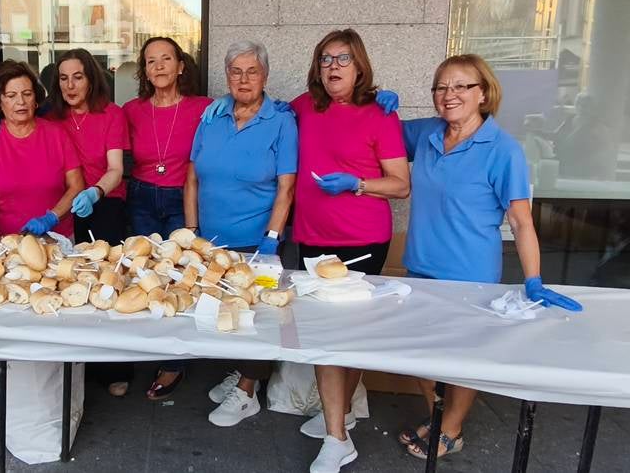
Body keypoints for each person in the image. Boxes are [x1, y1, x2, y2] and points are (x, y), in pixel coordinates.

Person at [398, 54, 581, 461]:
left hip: (470, 276)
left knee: (460, 361)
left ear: (483, 93)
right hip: (420, 268)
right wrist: (374, 103)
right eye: (441, 86)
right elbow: (376, 133)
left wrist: (533, 278)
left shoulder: (503, 150)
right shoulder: (427, 133)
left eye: (461, 86)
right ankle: (440, 416)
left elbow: (520, 221)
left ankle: (450, 429)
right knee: (418, 354)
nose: (449, 95)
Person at [288, 29, 410, 473]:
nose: (333, 66)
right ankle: (341, 412)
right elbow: (264, 117)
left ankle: (337, 437)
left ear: (359, 66)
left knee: (338, 336)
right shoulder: (304, 106)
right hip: (312, 237)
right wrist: (224, 107)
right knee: (326, 332)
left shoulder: (380, 114)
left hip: (360, 240)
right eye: (325, 59)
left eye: (343, 58)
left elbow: (400, 184)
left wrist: (357, 184)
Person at [185, 41, 296, 427]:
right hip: (212, 241)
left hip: (255, 240)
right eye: (236, 71)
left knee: (256, 316)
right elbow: (192, 178)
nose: (244, 78)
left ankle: (248, 390)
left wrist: (271, 236)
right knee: (223, 312)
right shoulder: (211, 118)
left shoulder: (280, 120)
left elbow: (286, 187)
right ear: (227, 75)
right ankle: (240, 372)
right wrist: (191, 231)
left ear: (265, 75)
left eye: (252, 71)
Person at [122, 37, 211, 400]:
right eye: (150, 61)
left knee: (178, 278)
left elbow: (254, 106)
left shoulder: (204, 108)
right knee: (143, 274)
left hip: (180, 198)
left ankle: (174, 361)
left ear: (180, 66)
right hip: (141, 196)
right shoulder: (131, 109)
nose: (158, 66)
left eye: (166, 59)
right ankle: (148, 348)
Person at [44, 49, 133, 397]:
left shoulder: (111, 114)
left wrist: (95, 193)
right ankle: (75, 362)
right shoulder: (50, 116)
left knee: (106, 282)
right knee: (67, 281)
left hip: (104, 202)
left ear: (91, 78)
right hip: (62, 205)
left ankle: (113, 366)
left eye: (77, 76)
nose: (70, 85)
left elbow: (116, 168)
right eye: (63, 78)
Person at [0, 60, 84, 237]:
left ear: (36, 100)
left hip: (57, 240)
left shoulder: (57, 134)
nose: (21, 102)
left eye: (27, 94)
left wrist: (52, 217)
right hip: (6, 242)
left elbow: (76, 186)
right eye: (11, 95)